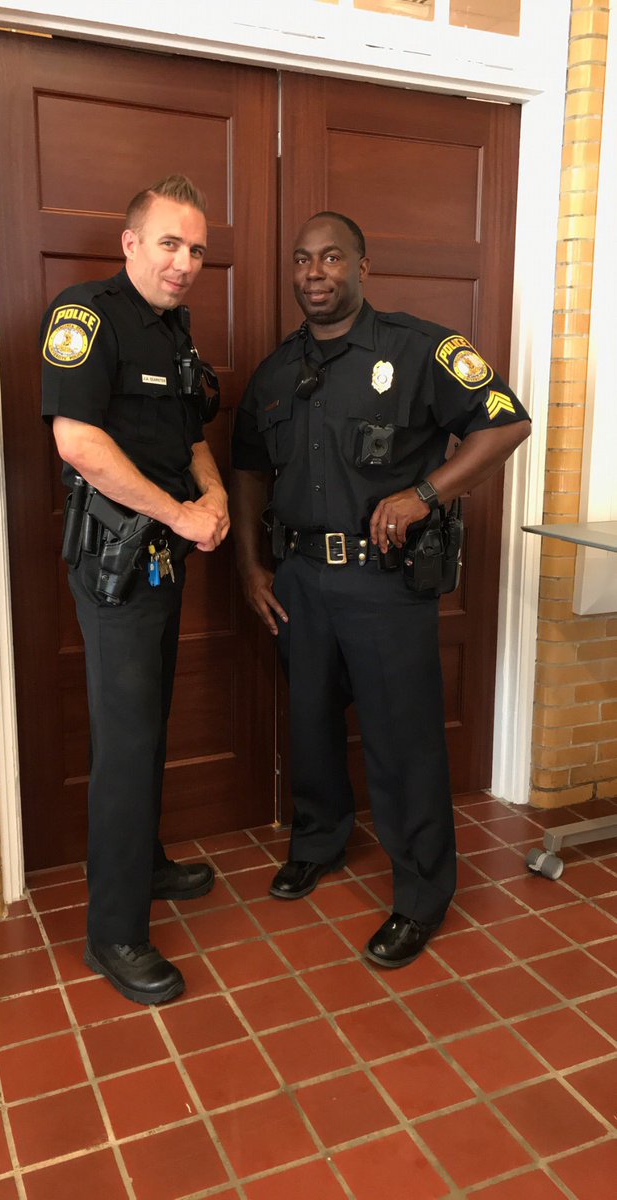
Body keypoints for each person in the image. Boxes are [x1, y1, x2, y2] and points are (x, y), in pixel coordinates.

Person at [230, 210, 530, 969]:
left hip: (384, 582)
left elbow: (506, 424)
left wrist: (426, 493)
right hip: (300, 576)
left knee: (403, 744)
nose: (314, 274)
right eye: (302, 261)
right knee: (311, 728)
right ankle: (319, 842)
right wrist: (249, 566)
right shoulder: (274, 370)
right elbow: (247, 470)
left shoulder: (420, 348)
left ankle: (422, 895)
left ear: (363, 264)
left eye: (330, 258)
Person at [41, 175, 229, 1005]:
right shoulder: (86, 315)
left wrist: (213, 498)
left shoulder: (174, 331)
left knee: (148, 723)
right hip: (116, 560)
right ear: (130, 242)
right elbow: (78, 442)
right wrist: (178, 517)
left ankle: (143, 863)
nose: (184, 262)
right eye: (169, 243)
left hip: (162, 555)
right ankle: (113, 931)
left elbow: (188, 438)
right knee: (123, 741)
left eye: (196, 250)